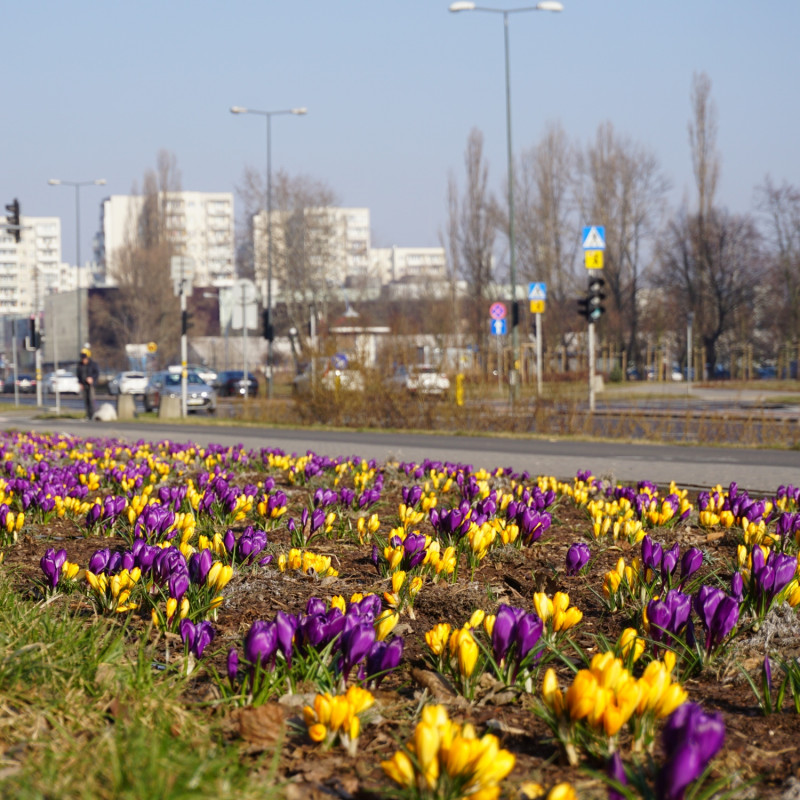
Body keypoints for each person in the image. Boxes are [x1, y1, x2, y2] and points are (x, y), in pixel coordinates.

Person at [76, 348, 99, 419]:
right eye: (82, 358)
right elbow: (78, 374)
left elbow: (96, 373)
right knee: (86, 400)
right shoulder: (80, 365)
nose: (83, 360)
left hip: (91, 385)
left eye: (85, 358)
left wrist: (92, 378)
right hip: (84, 385)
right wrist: (80, 383)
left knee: (91, 399)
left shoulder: (93, 364)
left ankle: (93, 414)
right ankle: (88, 415)